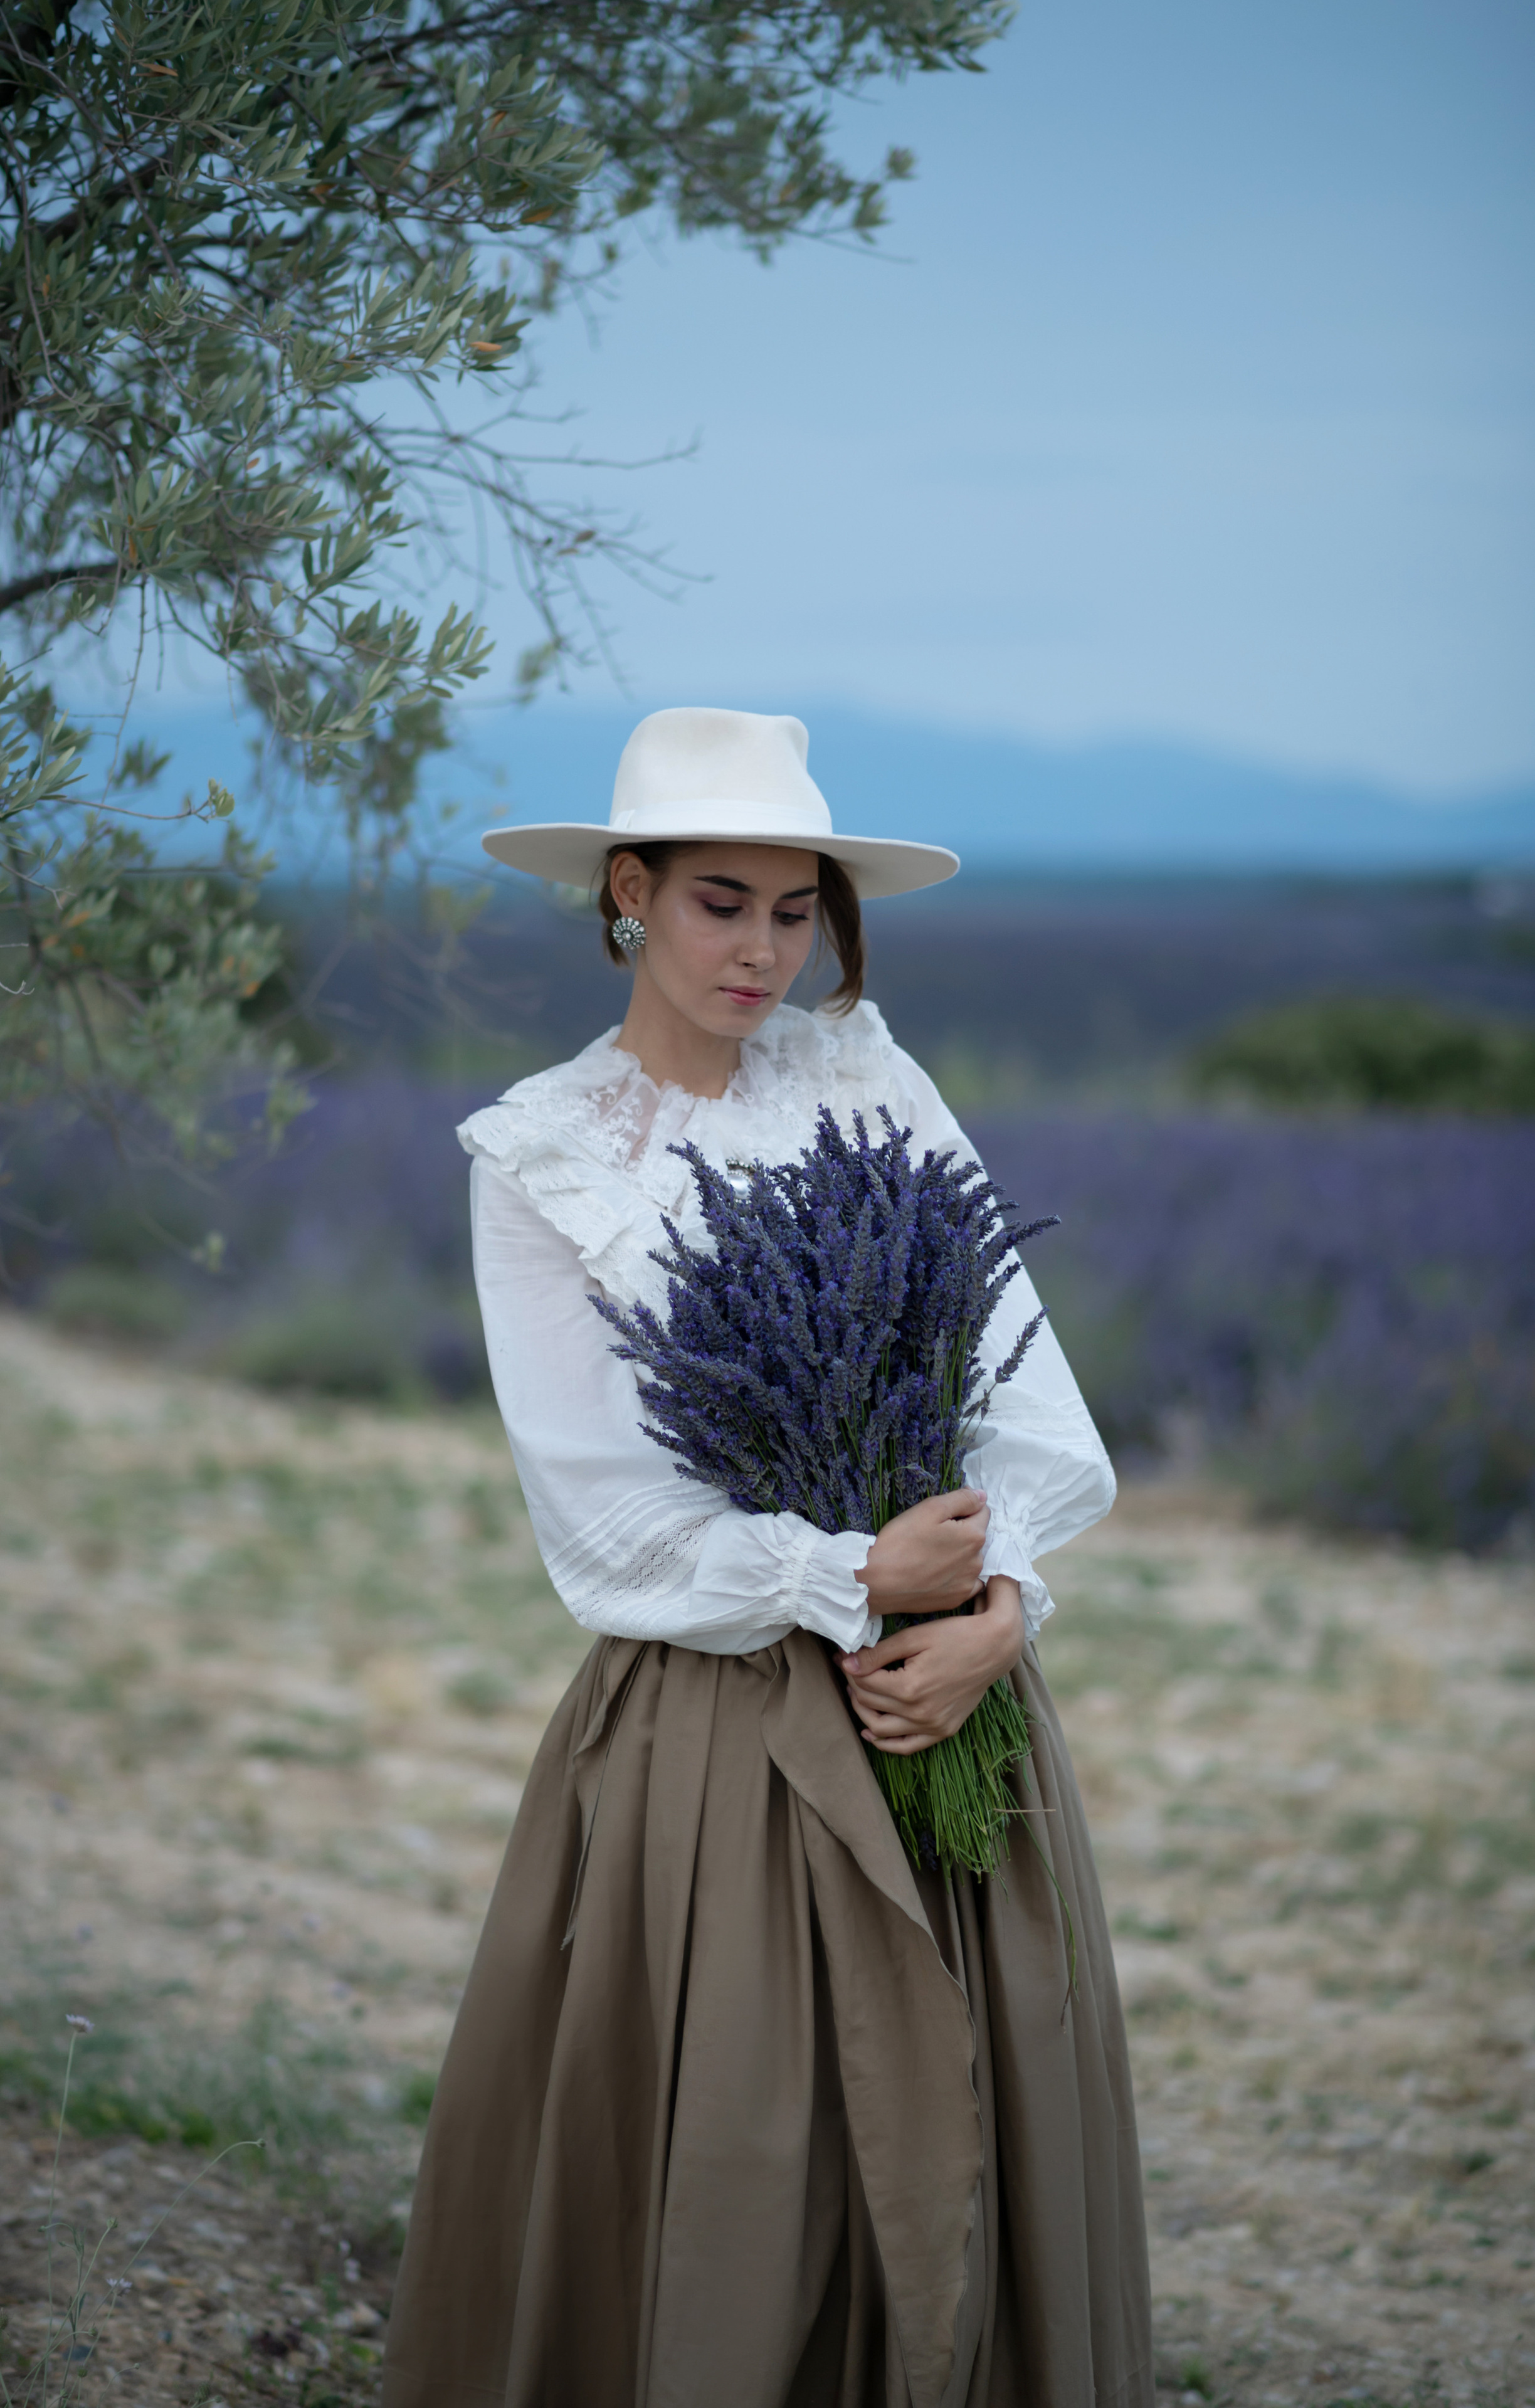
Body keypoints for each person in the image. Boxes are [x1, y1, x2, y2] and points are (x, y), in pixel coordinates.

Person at [381, 709, 1153, 2408]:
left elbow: (1022, 1394)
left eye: (794, 912)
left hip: (950, 1699)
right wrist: (852, 1578)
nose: (762, 949)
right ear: (627, 898)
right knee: (746, 2145)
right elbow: (608, 1524)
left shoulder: (870, 1080)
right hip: (719, 1736)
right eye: (720, 902)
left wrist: (999, 1613)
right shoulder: (543, 1156)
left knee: (981, 2103)